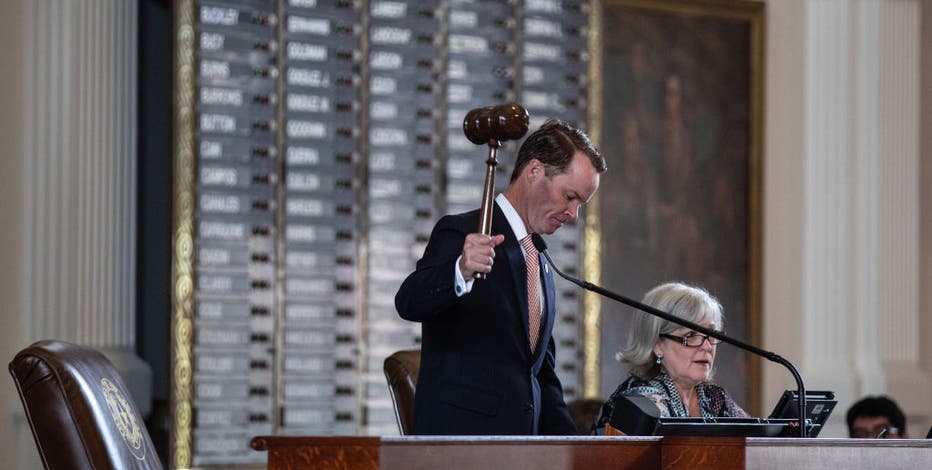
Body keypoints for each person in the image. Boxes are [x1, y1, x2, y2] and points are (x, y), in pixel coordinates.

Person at [395, 119, 607, 435]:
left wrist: (580, 450)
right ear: (534, 171)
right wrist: (460, 270)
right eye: (569, 197)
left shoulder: (540, 260)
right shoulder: (464, 231)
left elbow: (541, 375)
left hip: (520, 448)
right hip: (463, 445)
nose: (573, 215)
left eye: (580, 204)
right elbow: (408, 301)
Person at [592, 282, 747, 434]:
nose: (707, 347)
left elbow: (754, 440)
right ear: (657, 344)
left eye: (711, 334)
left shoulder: (715, 397)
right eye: (690, 335)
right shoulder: (638, 402)